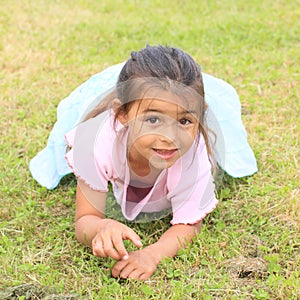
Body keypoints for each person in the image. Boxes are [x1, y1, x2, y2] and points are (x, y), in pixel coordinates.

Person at [30, 45, 257, 280]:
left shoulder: (192, 153)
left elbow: (189, 223)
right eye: (153, 119)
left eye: (185, 120)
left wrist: (153, 254)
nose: (170, 136)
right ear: (122, 114)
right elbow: (85, 218)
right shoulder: (97, 143)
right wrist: (101, 227)